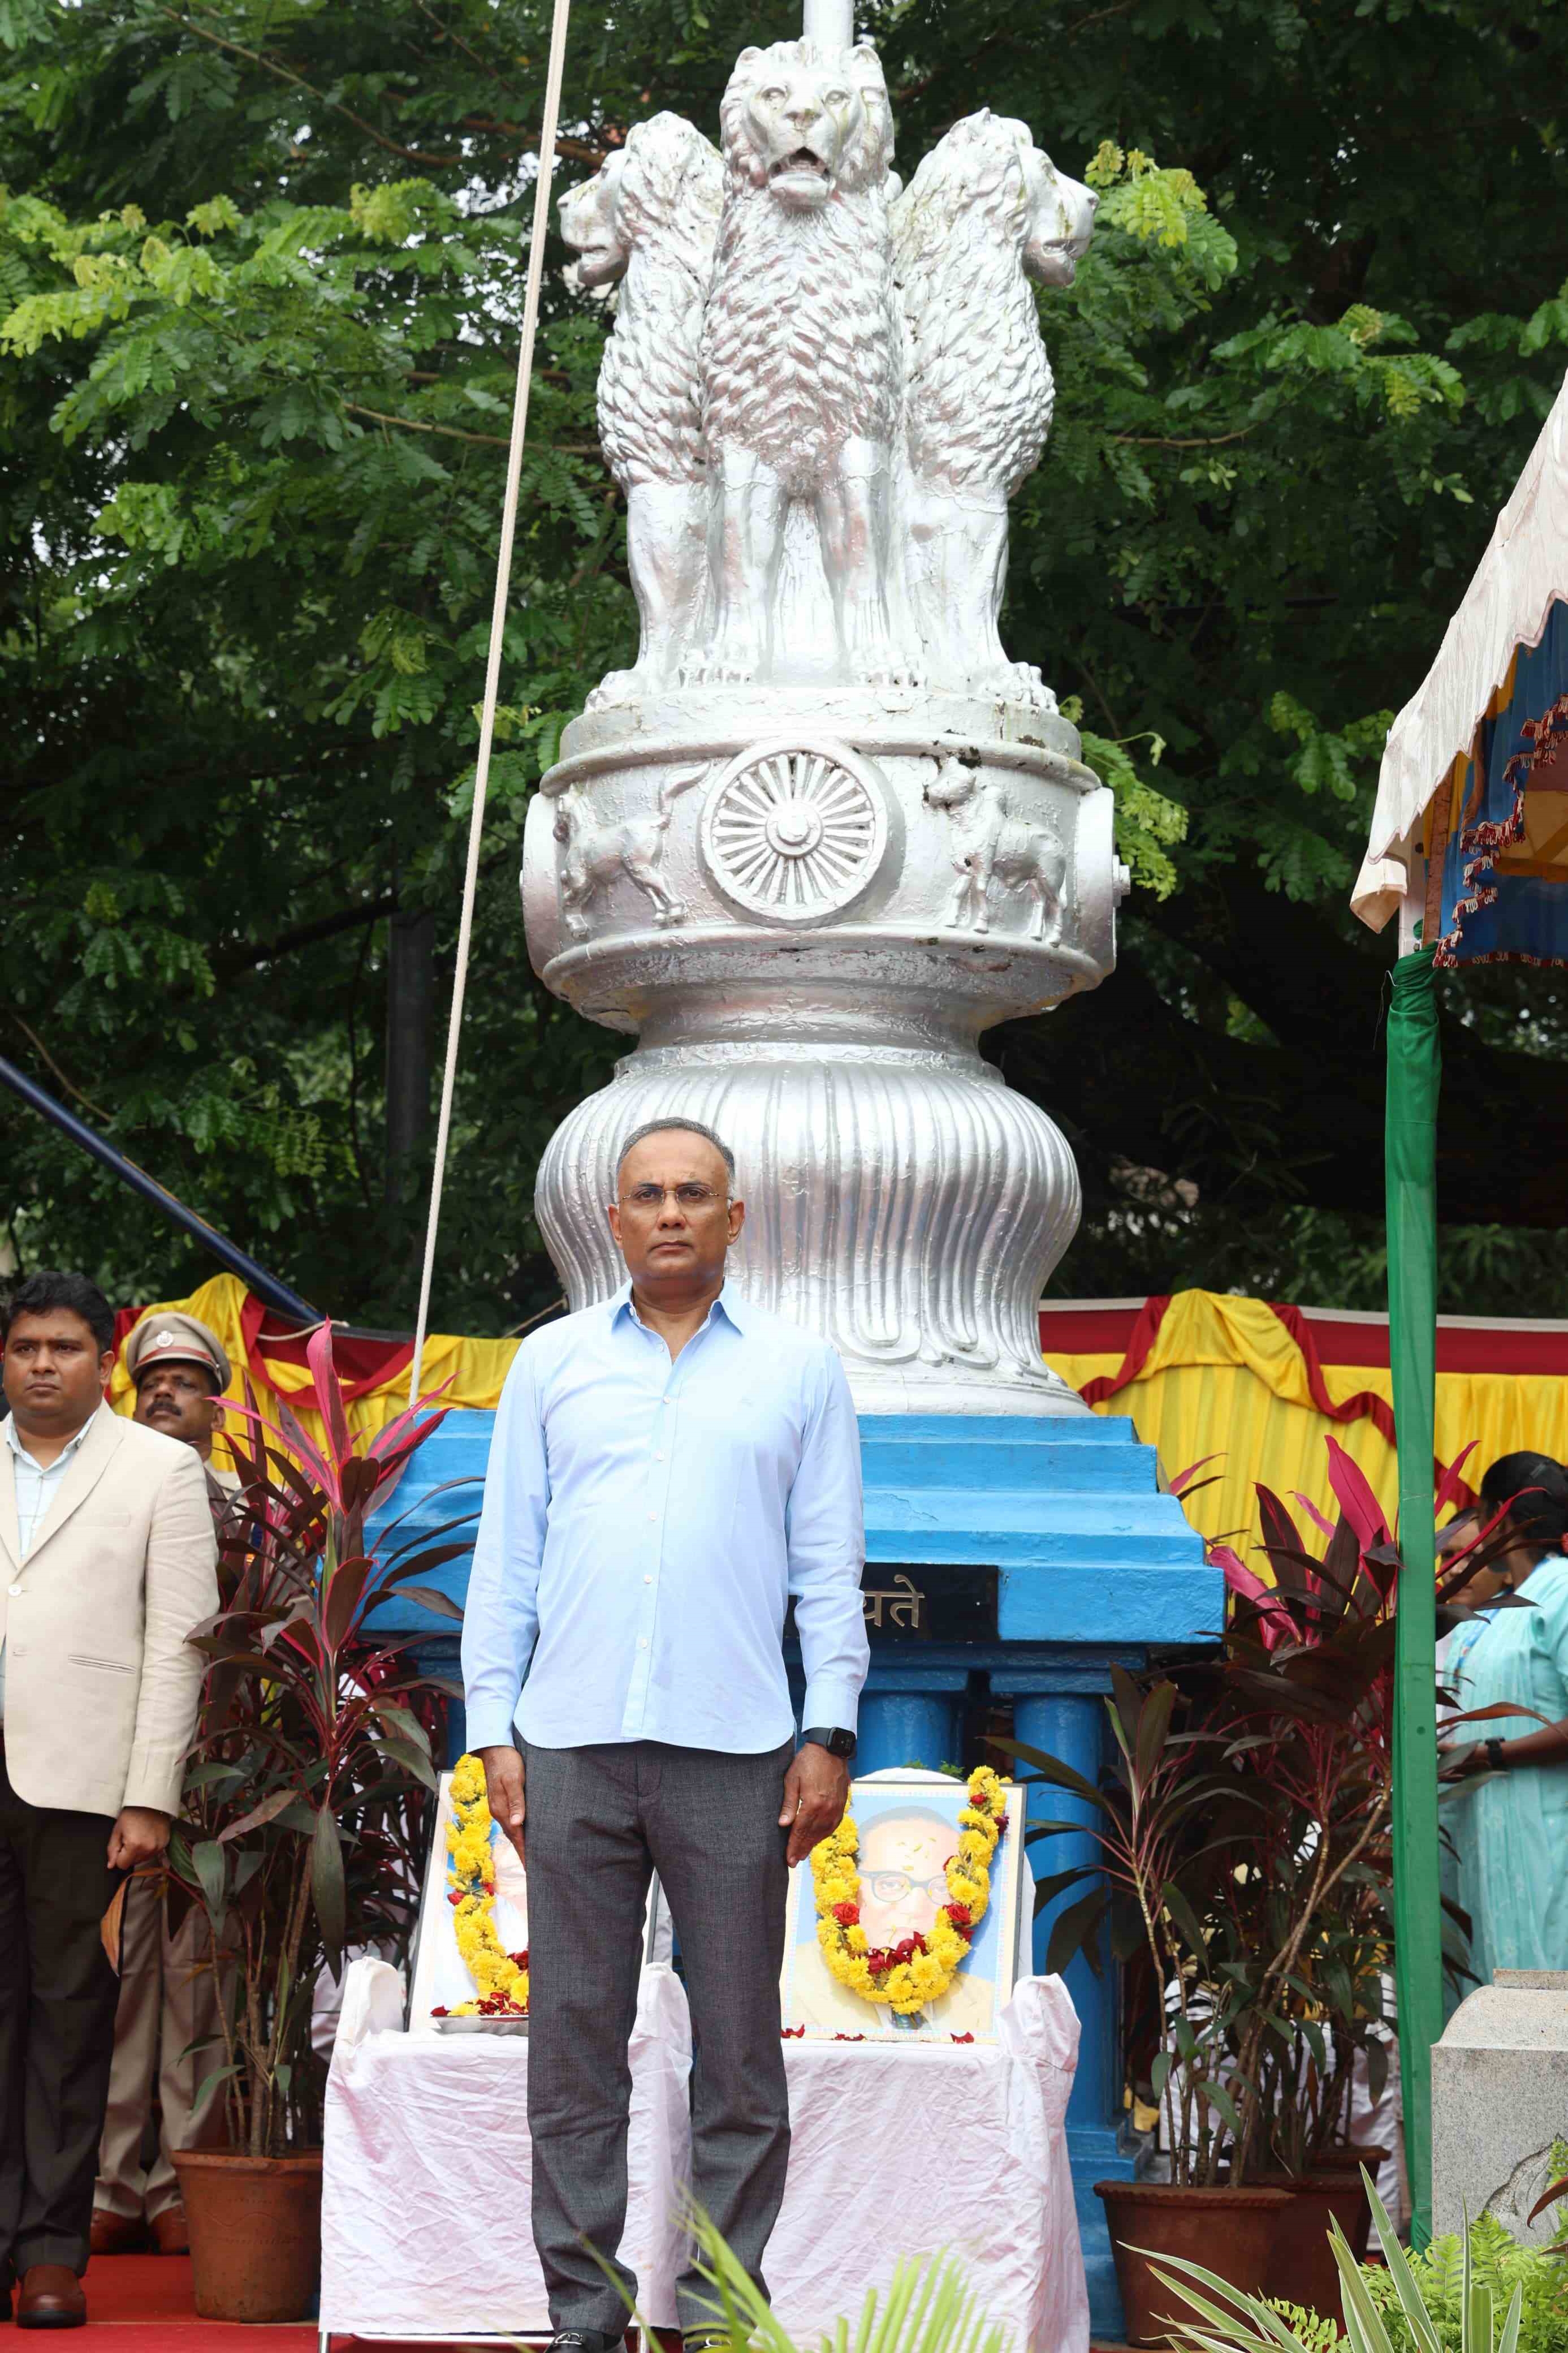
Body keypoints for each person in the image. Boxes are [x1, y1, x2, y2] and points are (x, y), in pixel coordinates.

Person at [463, 1117, 868, 2353]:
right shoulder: (551, 1364)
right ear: (615, 1220)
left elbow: (828, 1569)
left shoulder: (799, 1372)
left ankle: (711, 2323)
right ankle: (585, 2324)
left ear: (735, 1219)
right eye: (649, 1195)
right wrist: (496, 1732)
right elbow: (506, 1560)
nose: (673, 1212)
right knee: (573, 2054)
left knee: (740, 2059)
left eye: (697, 1193)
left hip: (739, 1747)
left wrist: (829, 1727)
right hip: (571, 1743)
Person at [0, 1272, 218, 2329]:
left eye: (67, 1348)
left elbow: (181, 1646)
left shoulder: (160, 1471)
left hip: (85, 1789)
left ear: (105, 1359)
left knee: (69, 2019)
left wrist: (150, 1798)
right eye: (27, 1346)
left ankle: (50, 2250)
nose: (45, 1364)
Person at [92, 1315, 238, 2257]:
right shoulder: (104, 1494)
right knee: (117, 1977)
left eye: (186, 1379)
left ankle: (183, 2179)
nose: (164, 1392)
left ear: (216, 1401)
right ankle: (112, 2181)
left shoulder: (251, 1506)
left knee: (202, 1980)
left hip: (227, 1778)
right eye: (152, 1378)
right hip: (112, 1770)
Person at [1439, 1451, 1568, 1985]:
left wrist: (1489, 1755)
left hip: (1541, 1835)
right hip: (1479, 1841)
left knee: (1540, 2001)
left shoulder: (1561, 1592)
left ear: (1499, 1515)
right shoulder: (1494, 1608)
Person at [785, 1799, 997, 2036]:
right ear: (847, 1883)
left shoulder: (989, 2002)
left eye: (941, 1888)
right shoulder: (789, 1985)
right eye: (891, 1884)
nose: (915, 1908)